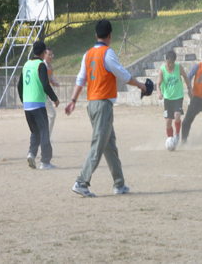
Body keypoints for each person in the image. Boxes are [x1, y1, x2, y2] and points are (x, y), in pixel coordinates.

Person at [65, 19, 148, 198]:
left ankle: (119, 184)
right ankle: (81, 182)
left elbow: (81, 79)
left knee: (109, 145)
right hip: (103, 105)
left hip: (93, 105)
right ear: (110, 36)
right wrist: (141, 85)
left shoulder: (88, 54)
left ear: (96, 35)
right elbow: (124, 76)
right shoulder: (107, 53)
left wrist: (73, 99)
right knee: (98, 145)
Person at [17, 40, 59, 170]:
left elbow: (19, 85)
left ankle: (31, 154)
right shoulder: (40, 65)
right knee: (44, 131)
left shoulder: (26, 64)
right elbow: (45, 85)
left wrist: (24, 100)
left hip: (27, 106)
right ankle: (45, 162)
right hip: (38, 105)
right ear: (42, 52)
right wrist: (54, 98)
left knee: (35, 132)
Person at [157, 50, 191, 148]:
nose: (170, 64)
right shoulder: (162, 70)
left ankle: (176, 135)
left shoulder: (179, 67)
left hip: (178, 97)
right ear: (166, 61)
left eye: (172, 62)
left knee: (177, 116)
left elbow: (185, 77)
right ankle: (170, 139)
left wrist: (189, 89)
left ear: (175, 61)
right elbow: (158, 84)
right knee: (168, 122)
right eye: (168, 62)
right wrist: (159, 93)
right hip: (168, 99)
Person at [44, 47, 60, 139]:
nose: (51, 57)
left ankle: (45, 136)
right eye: (49, 55)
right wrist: (54, 98)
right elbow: (45, 82)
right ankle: (46, 137)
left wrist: (54, 82)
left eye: (52, 55)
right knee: (52, 114)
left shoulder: (50, 66)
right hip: (43, 94)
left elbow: (50, 78)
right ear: (44, 55)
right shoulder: (43, 66)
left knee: (47, 116)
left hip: (46, 94)